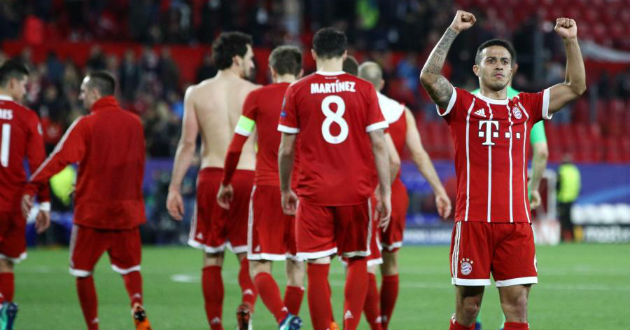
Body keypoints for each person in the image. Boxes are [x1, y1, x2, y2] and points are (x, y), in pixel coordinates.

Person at [420, 11, 585, 330]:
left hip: (516, 224)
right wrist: (453, 30)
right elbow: (429, 77)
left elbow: (575, 86)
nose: (498, 65)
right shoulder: (462, 105)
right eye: (491, 60)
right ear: (476, 68)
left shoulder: (527, 106)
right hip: (473, 222)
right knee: (468, 309)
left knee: (518, 306)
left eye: (504, 61)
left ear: (513, 69)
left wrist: (571, 42)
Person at [278, 27, 392, 330]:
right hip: (356, 191)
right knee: (357, 260)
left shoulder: (297, 90)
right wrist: (386, 193)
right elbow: (379, 143)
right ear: (345, 54)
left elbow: (286, 148)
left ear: (313, 54)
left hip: (313, 193)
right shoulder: (365, 89)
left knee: (316, 266)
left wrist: (285, 188)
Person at [22, 71, 151, 330]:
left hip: (92, 213)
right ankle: (139, 314)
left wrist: (32, 184)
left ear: (94, 93)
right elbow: (134, 165)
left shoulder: (86, 124)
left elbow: (59, 159)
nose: (80, 96)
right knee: (130, 270)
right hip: (127, 212)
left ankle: (93, 327)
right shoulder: (135, 123)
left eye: (83, 91)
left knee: (82, 272)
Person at [166, 31, 259, 330]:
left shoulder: (196, 93)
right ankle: (246, 306)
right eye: (249, 57)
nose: (253, 63)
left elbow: (187, 145)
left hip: (211, 175)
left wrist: (174, 187)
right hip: (247, 175)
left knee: (212, 255)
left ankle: (216, 325)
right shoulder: (254, 93)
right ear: (236, 59)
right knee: (249, 254)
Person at [359, 61, 452, 330]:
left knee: (364, 263)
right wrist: (438, 190)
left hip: (364, 191)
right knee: (390, 263)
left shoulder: (354, 106)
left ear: (357, 79)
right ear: (382, 84)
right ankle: (384, 324)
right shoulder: (401, 111)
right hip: (395, 193)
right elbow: (420, 155)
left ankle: (373, 325)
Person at [216, 45, 304, 330]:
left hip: (267, 188)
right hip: (304, 193)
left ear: (273, 70)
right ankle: (289, 321)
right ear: (300, 71)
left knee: (259, 265)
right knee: (296, 265)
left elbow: (235, 146)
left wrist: (226, 181)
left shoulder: (256, 97)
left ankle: (283, 318)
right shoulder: (307, 96)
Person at [0, 59, 50, 330]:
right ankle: (3, 318)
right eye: (23, 84)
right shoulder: (28, 117)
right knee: (6, 262)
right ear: (11, 83)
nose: (26, 89)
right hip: (14, 201)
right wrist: (45, 203)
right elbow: (39, 162)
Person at [556, 154, 581, 242]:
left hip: (562, 198)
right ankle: (573, 237)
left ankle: (562, 238)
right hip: (571, 198)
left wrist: (557, 193)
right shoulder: (575, 170)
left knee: (562, 219)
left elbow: (558, 185)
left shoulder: (561, 170)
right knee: (569, 219)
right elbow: (577, 184)